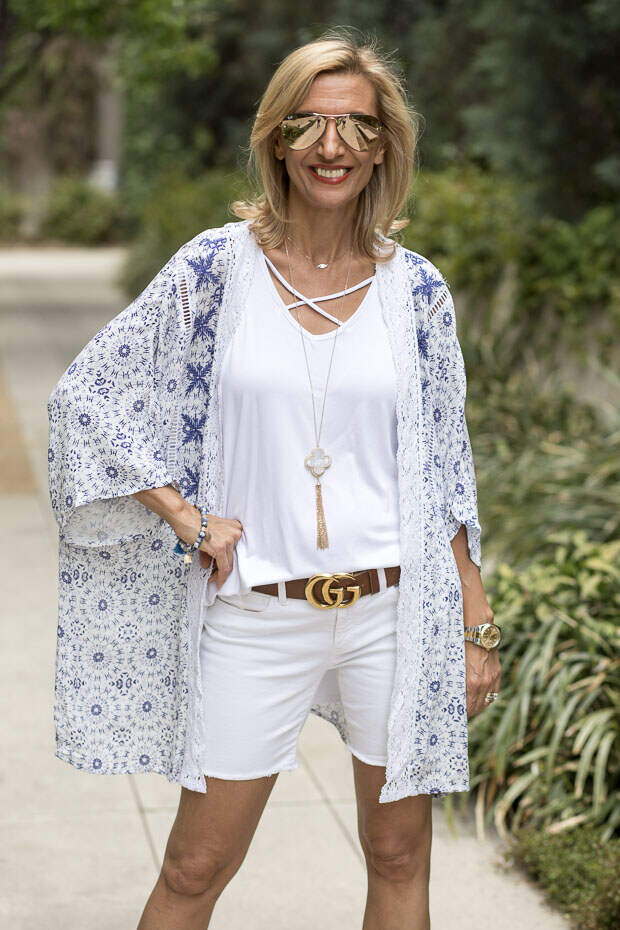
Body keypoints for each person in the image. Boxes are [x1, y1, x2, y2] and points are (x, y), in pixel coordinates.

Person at [47, 31, 501, 930]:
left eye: (357, 127)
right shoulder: (215, 271)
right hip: (256, 614)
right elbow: (85, 398)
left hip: (390, 614)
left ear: (385, 147)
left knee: (401, 856)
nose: (333, 147)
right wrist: (182, 514)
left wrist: (476, 626)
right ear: (277, 139)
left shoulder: (416, 292)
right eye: (310, 124)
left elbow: (446, 468)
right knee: (194, 868)